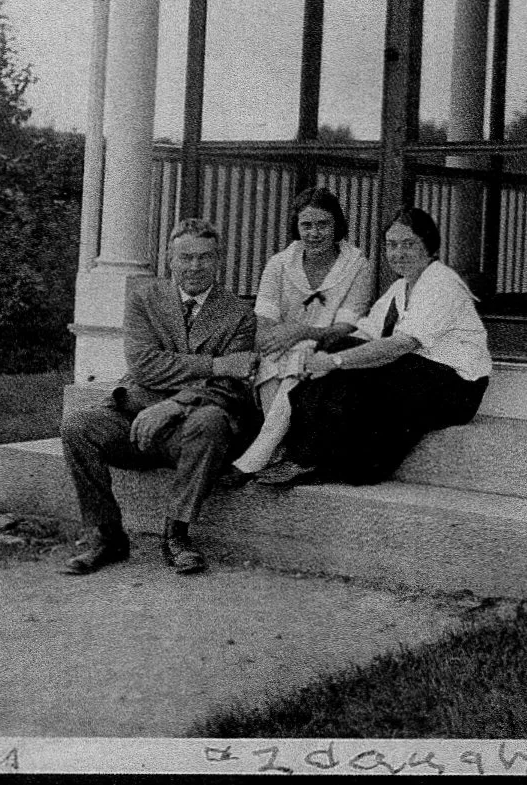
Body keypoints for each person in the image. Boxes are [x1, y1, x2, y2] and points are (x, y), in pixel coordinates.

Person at [58, 217, 261, 576]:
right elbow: (144, 366)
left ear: (219, 260)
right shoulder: (144, 298)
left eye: (204, 257)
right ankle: (107, 536)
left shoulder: (239, 315)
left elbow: (231, 387)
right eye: (186, 257)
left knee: (212, 420)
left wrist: (173, 404)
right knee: (79, 427)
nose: (195, 266)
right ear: (170, 259)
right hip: (135, 418)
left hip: (189, 431)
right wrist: (216, 365)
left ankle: (176, 536)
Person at [256, 206, 491, 488]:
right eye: (392, 245)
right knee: (342, 350)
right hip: (421, 372)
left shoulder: (440, 284)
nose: (398, 253)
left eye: (409, 244)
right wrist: (314, 345)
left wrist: (335, 361)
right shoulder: (401, 287)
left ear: (429, 246)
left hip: (457, 388)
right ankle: (304, 455)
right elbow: (364, 332)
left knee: (361, 373)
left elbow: (400, 345)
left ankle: (324, 461)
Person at [230, 187, 373, 476]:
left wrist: (300, 333)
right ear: (296, 227)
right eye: (306, 225)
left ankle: (258, 454)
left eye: (323, 224)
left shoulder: (357, 265)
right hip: (281, 348)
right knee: (273, 361)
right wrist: (283, 340)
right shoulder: (279, 264)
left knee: (300, 356)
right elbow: (265, 325)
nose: (314, 233)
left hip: (330, 348)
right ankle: (280, 448)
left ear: (337, 226)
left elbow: (345, 326)